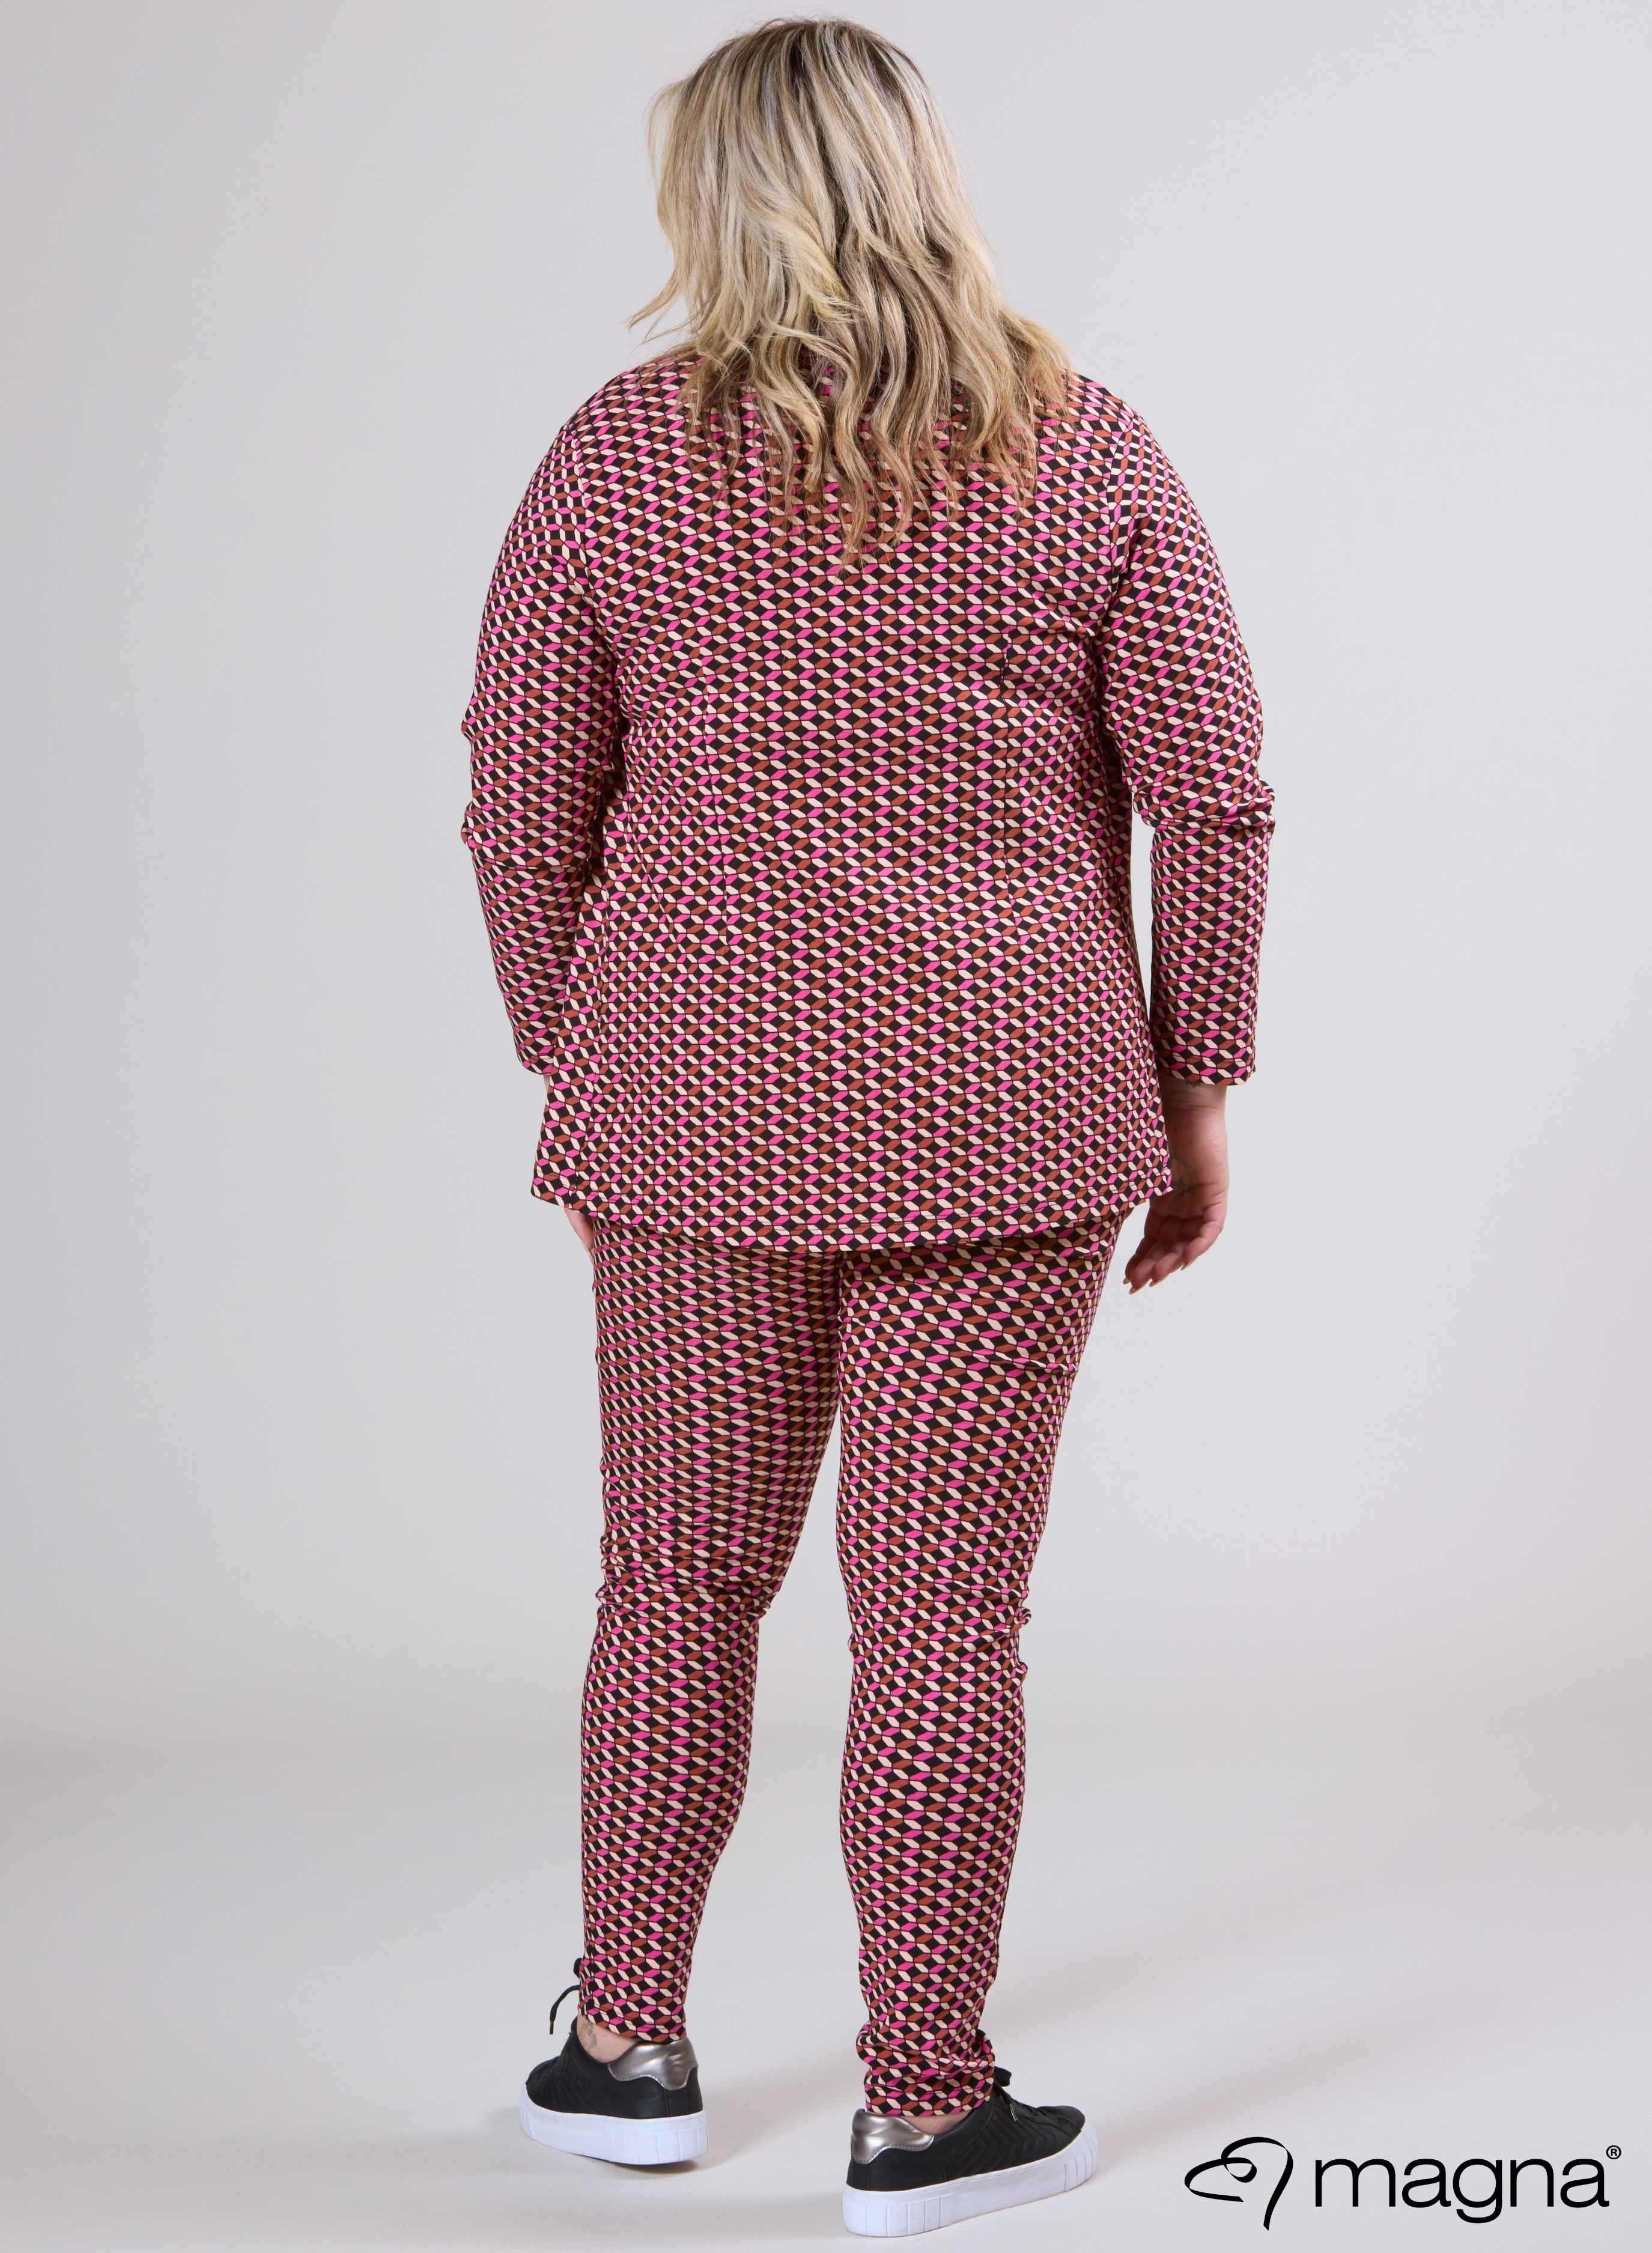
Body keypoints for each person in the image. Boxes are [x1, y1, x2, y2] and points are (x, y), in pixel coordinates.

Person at [460, 17, 1272, 2237]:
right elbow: (1210, 798)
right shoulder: (1086, 446)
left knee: (678, 1577)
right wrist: (1196, 1085)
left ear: (709, 199)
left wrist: (587, 1061)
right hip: (1020, 1112)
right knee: (941, 1622)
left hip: (689, 1111)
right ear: (926, 173)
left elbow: (520, 807)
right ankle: (924, 2109)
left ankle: (627, 2050)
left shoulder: (618, 456)